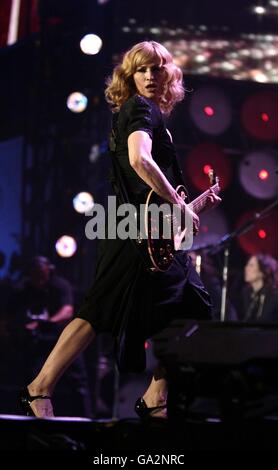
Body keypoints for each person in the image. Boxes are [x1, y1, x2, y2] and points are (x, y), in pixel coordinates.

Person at [20, 41, 221, 419]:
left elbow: (153, 194)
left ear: (169, 74)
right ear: (129, 77)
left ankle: (157, 398)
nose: (149, 76)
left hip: (147, 232)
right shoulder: (139, 109)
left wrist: (195, 205)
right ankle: (39, 387)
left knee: (191, 311)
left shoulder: (148, 115)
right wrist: (181, 205)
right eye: (140, 70)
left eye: (156, 69)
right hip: (131, 232)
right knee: (101, 310)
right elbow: (138, 158)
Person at [14, 256, 92, 416]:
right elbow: (10, 314)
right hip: (37, 342)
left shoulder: (60, 285)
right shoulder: (23, 288)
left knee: (77, 380)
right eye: (35, 275)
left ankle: (85, 416)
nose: (39, 280)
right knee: (32, 373)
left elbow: (67, 311)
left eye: (42, 275)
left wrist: (45, 323)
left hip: (60, 339)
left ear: (49, 271)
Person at [237, 254, 278, 322]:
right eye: (247, 265)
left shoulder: (274, 296)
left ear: (262, 272)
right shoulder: (246, 293)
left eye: (251, 265)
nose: (246, 268)